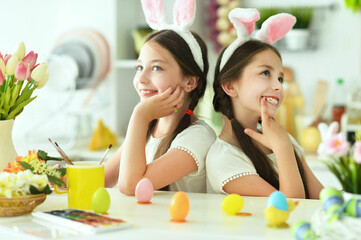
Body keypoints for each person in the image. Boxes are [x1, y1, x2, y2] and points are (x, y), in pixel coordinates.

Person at [206, 8, 323, 199]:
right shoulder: (223, 159)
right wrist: (283, 147)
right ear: (230, 86)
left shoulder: (279, 138)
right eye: (265, 73)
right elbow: (290, 211)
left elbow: (321, 200)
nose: (278, 86)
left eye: (280, 77)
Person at [105, 0, 216, 194]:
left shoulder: (197, 137)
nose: (141, 78)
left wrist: (140, 115)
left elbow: (132, 186)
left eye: (156, 68)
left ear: (190, 82)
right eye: (140, 67)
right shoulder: (149, 128)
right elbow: (106, 178)